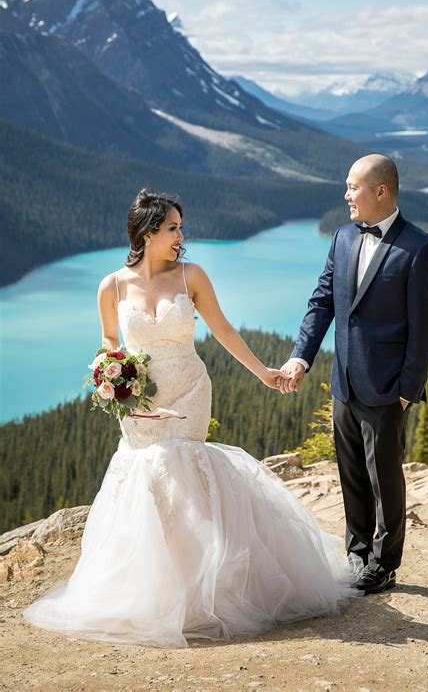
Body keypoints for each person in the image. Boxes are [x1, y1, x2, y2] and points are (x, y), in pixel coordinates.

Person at [24, 188, 357, 648]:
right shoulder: (112, 286)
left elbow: (221, 329)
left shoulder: (192, 276)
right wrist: (123, 391)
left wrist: (263, 373)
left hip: (190, 391)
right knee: (149, 480)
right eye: (173, 228)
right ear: (147, 234)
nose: (182, 235)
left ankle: (206, 595)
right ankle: (157, 594)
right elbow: (108, 346)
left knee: (185, 475)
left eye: (181, 226)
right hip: (140, 401)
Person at [279, 154, 428, 594]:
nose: (346, 195)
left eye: (353, 187)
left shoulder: (421, 249)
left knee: (384, 477)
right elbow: (322, 303)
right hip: (344, 384)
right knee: (351, 474)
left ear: (381, 192)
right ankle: (357, 554)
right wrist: (301, 356)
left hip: (388, 389)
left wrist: (406, 391)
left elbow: (425, 329)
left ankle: (385, 564)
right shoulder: (343, 238)